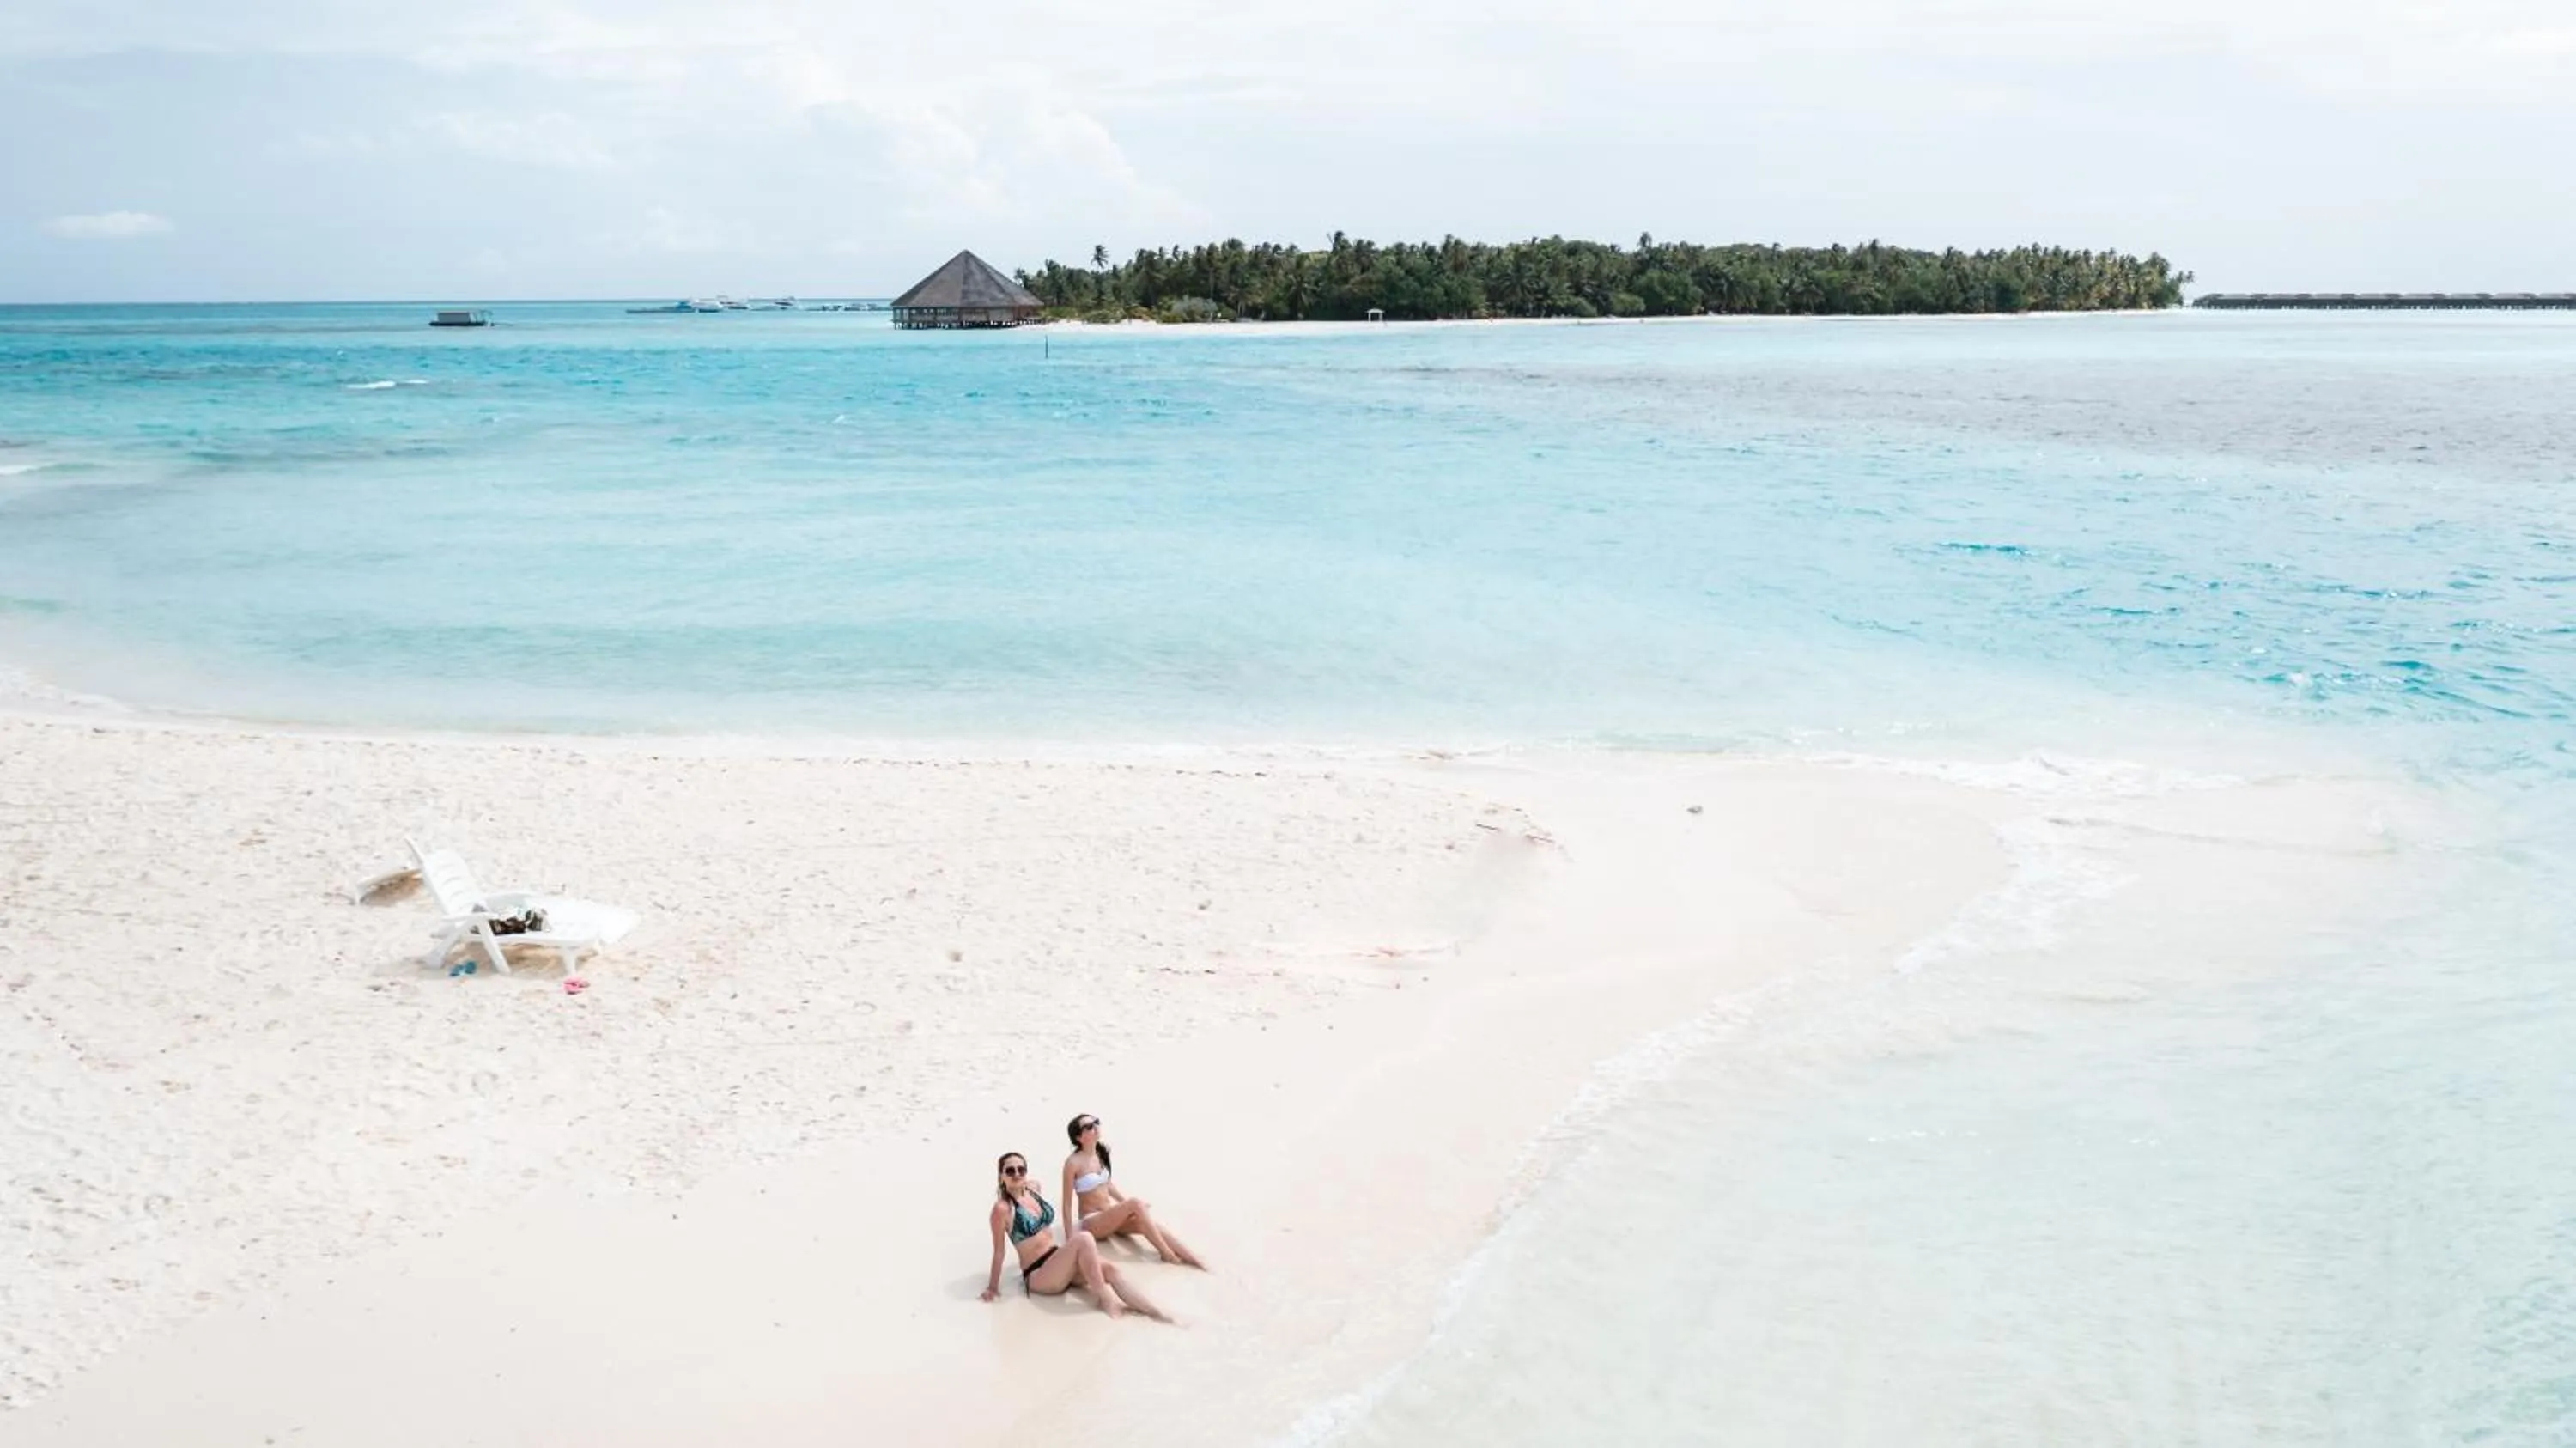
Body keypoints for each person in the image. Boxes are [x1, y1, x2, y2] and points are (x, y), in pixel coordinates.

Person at [981, 1151, 1167, 1321]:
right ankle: (1106, 1299)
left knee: (1111, 1270)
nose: (1016, 1174)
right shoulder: (1002, 1209)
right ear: (1001, 1176)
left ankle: (1156, 1313)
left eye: (1021, 1169)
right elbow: (999, 1253)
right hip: (1039, 1274)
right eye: (1010, 1171)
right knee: (1084, 1238)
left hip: (1057, 1259)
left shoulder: (1033, 1189)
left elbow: (1033, 1184)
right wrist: (992, 1288)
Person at [1062, 1114, 1206, 1269]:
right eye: (1089, 1127)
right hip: (1092, 1222)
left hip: (1110, 1216)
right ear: (1079, 1137)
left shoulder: (1099, 1153)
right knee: (1136, 1203)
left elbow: (1107, 1184)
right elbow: (1066, 1204)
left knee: (1150, 1224)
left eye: (1096, 1122)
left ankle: (1195, 1260)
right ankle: (1166, 1254)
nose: (1096, 1127)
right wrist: (1070, 1239)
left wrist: (1130, 1207)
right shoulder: (1073, 1163)